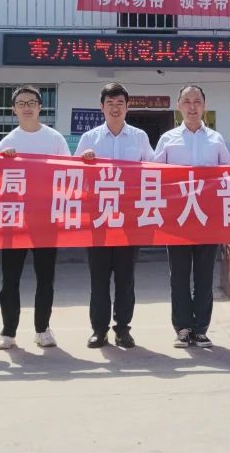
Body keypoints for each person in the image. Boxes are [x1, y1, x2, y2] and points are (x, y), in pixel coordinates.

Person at [76, 82, 155, 349]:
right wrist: (84, 161)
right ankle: (99, 330)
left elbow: (154, 170)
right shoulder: (89, 138)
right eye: (110, 103)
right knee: (98, 279)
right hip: (98, 218)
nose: (115, 108)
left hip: (128, 219)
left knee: (125, 278)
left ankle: (123, 329)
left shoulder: (139, 137)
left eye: (120, 103)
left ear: (127, 106)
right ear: (101, 107)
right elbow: (73, 174)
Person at [153, 85, 230, 349]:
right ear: (178, 106)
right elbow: (153, 174)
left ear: (204, 106)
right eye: (186, 101)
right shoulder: (168, 139)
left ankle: (200, 329)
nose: (192, 106)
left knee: (204, 275)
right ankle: (183, 328)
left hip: (207, 218)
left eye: (197, 101)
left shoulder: (216, 139)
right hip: (177, 219)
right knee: (178, 276)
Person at [0, 85, 71, 350]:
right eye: (21, 103)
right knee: (10, 278)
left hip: (46, 219)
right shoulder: (6, 143)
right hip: (14, 219)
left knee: (45, 278)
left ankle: (42, 329)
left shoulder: (54, 139)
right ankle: (8, 331)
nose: (27, 107)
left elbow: (68, 173)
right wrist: (5, 161)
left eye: (31, 103)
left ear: (40, 107)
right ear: (13, 109)